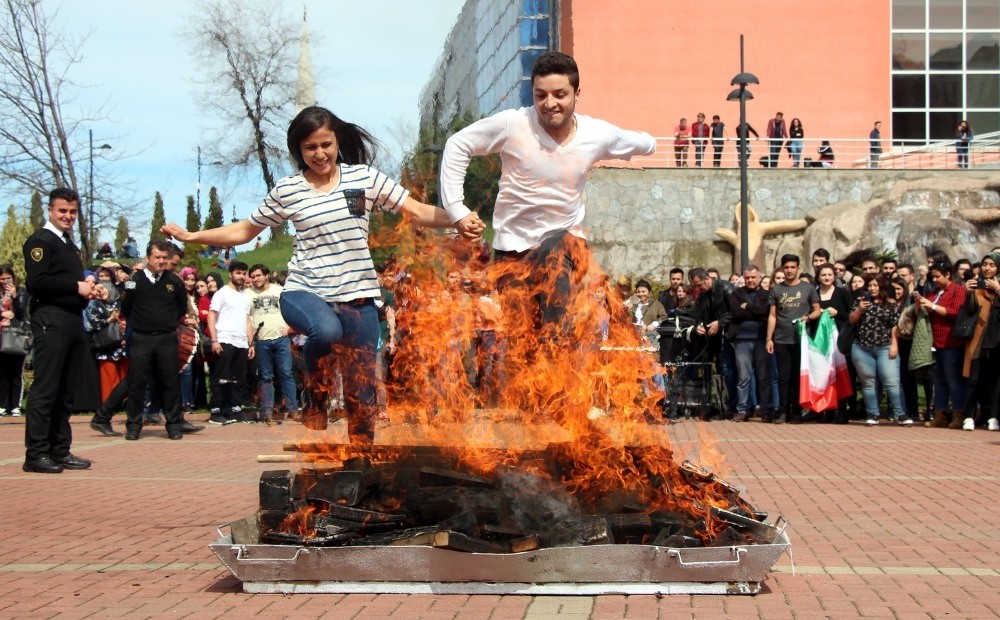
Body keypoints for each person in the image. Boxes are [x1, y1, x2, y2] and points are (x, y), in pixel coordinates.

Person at [163, 105, 473, 444]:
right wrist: (193, 236)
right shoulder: (289, 190)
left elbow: (415, 210)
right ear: (298, 150)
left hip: (358, 295)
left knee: (362, 389)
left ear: (337, 142)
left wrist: (458, 217)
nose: (320, 154)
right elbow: (244, 231)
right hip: (305, 291)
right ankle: (316, 395)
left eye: (326, 144)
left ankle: (360, 460)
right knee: (325, 331)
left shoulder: (363, 178)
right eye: (310, 147)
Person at [439, 51, 656, 342]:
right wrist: (456, 208)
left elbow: (641, 142)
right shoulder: (513, 125)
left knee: (557, 244)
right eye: (540, 95)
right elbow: (458, 144)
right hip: (514, 251)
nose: (549, 104)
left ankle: (559, 340)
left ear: (577, 93)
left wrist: (651, 143)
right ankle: (543, 363)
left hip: (567, 247)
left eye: (559, 94)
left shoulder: (596, 133)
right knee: (523, 348)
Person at [21, 188, 97, 473]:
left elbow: (69, 281)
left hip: (72, 317)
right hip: (50, 319)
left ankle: (60, 449)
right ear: (50, 210)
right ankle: (36, 454)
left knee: (66, 389)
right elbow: (37, 282)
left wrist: (88, 290)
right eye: (62, 211)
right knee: (47, 387)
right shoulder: (41, 241)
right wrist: (74, 287)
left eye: (73, 212)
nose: (68, 216)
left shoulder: (69, 245)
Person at [119, 240, 202, 441]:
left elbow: (181, 307)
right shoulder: (134, 280)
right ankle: (134, 425)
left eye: (165, 258)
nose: (161, 262)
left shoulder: (174, 281)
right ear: (148, 258)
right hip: (141, 338)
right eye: (157, 257)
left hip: (166, 338)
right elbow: (126, 308)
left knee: (170, 382)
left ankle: (173, 424)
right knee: (137, 383)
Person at [766, 254, 822, 424]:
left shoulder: (808, 288)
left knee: (798, 377)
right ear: (782, 268)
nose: (789, 270)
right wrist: (769, 339)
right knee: (783, 377)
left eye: (792, 267)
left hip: (802, 339)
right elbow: (772, 316)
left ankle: (797, 411)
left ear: (798, 268)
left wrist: (809, 318)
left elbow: (817, 310)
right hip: (782, 339)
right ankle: (783, 411)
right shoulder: (776, 289)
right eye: (786, 267)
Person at [849, 275, 910, 426]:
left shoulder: (891, 304)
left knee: (892, 381)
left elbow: (894, 326)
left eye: (875, 285)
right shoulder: (860, 301)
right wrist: (859, 309)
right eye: (870, 285)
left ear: (882, 286)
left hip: (884, 347)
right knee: (868, 383)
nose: (872, 288)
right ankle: (873, 414)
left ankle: (900, 413)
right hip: (861, 347)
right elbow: (851, 320)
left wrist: (894, 344)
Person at [913, 262, 966, 428]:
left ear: (948, 274)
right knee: (939, 381)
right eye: (933, 277)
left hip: (952, 342)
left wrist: (933, 305)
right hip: (934, 341)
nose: (935, 279)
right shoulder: (933, 292)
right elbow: (922, 312)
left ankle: (958, 414)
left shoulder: (958, 290)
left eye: (938, 276)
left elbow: (955, 313)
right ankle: (940, 414)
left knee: (953, 381)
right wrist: (919, 302)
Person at [246, 263, 298, 423]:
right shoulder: (248, 294)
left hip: (281, 339)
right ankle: (267, 410)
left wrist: (289, 329)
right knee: (265, 376)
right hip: (262, 341)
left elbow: (292, 310)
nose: (256, 279)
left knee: (286, 374)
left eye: (258, 275)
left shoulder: (279, 290)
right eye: (253, 277)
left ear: (266, 275)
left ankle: (292, 409)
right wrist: (251, 343)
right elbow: (247, 319)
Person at [207, 262, 254, 425]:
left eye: (244, 273)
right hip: (224, 339)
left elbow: (248, 320)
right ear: (230, 274)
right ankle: (216, 411)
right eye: (238, 273)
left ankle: (235, 409)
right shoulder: (222, 293)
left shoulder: (245, 296)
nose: (242, 276)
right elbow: (211, 316)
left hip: (241, 342)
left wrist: (251, 343)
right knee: (220, 376)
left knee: (238, 378)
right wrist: (214, 340)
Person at [960, 253, 1000, 431]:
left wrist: (998, 289)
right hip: (977, 338)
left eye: (992, 265)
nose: (987, 268)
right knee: (973, 378)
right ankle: (968, 416)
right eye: (985, 264)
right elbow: (967, 311)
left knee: (995, 380)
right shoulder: (976, 286)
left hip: (997, 341)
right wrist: (967, 291)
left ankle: (993, 416)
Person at [728, 264, 771, 422]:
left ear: (759, 277)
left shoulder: (767, 294)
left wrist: (749, 307)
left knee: (763, 377)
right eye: (747, 278)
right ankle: (742, 409)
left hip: (761, 339)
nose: (750, 280)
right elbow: (736, 312)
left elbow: (766, 311)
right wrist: (755, 311)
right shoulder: (737, 293)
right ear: (743, 278)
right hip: (742, 340)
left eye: (753, 277)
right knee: (743, 377)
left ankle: (765, 410)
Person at [816, 262, 854, 423]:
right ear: (818, 277)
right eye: (823, 275)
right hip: (821, 340)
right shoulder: (815, 293)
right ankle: (828, 409)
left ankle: (843, 409)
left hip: (840, 339)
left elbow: (852, 316)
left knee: (841, 373)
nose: (827, 277)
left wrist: (837, 313)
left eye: (829, 274)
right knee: (824, 374)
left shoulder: (842, 293)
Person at [0, 265, 29, 418]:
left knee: (16, 371)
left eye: (8, 278)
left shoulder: (22, 290)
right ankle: (3, 405)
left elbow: (22, 311)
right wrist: (3, 313)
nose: (5, 281)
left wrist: (15, 296)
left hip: (16, 334)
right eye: (2, 278)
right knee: (3, 371)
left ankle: (15, 406)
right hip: (1, 334)